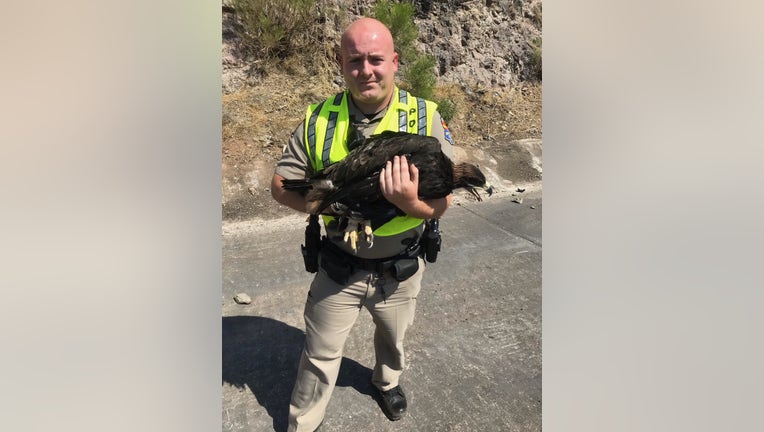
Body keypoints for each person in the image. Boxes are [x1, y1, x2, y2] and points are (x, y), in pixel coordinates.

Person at [271, 17, 455, 432]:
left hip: (401, 268)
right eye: (355, 60)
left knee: (394, 341)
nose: (366, 70)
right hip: (339, 265)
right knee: (318, 354)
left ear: (394, 61)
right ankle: (305, 423)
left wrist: (410, 203)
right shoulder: (319, 121)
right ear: (340, 63)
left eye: (375, 59)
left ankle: (386, 382)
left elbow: (441, 204)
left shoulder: (425, 119)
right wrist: (339, 208)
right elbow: (281, 188)